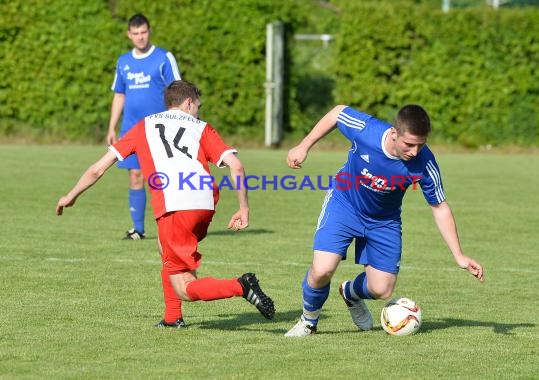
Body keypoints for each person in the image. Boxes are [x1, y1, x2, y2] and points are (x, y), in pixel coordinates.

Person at [57, 80, 275, 327]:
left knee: (184, 287)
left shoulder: (144, 126)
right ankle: (172, 318)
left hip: (175, 205)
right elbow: (236, 165)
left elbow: (98, 169)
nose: (198, 111)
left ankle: (241, 286)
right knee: (164, 247)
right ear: (189, 102)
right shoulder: (201, 127)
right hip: (204, 202)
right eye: (198, 106)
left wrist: (71, 194)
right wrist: (243, 208)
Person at [284, 104, 484, 337]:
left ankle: (350, 293)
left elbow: (439, 207)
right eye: (409, 144)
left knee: (382, 289)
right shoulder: (367, 131)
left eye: (421, 144)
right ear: (393, 133)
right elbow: (338, 113)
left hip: (384, 221)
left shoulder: (425, 163)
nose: (415, 151)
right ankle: (308, 322)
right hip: (344, 204)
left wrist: (458, 255)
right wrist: (304, 145)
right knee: (322, 270)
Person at [107, 13, 182, 240]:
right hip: (131, 129)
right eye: (136, 33)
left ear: (149, 31)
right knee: (135, 176)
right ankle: (138, 229)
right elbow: (120, 94)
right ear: (129, 35)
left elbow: (177, 91)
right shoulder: (123, 62)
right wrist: (112, 127)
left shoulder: (163, 58)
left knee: (163, 180)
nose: (140, 37)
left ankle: (173, 227)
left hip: (160, 130)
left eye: (144, 32)